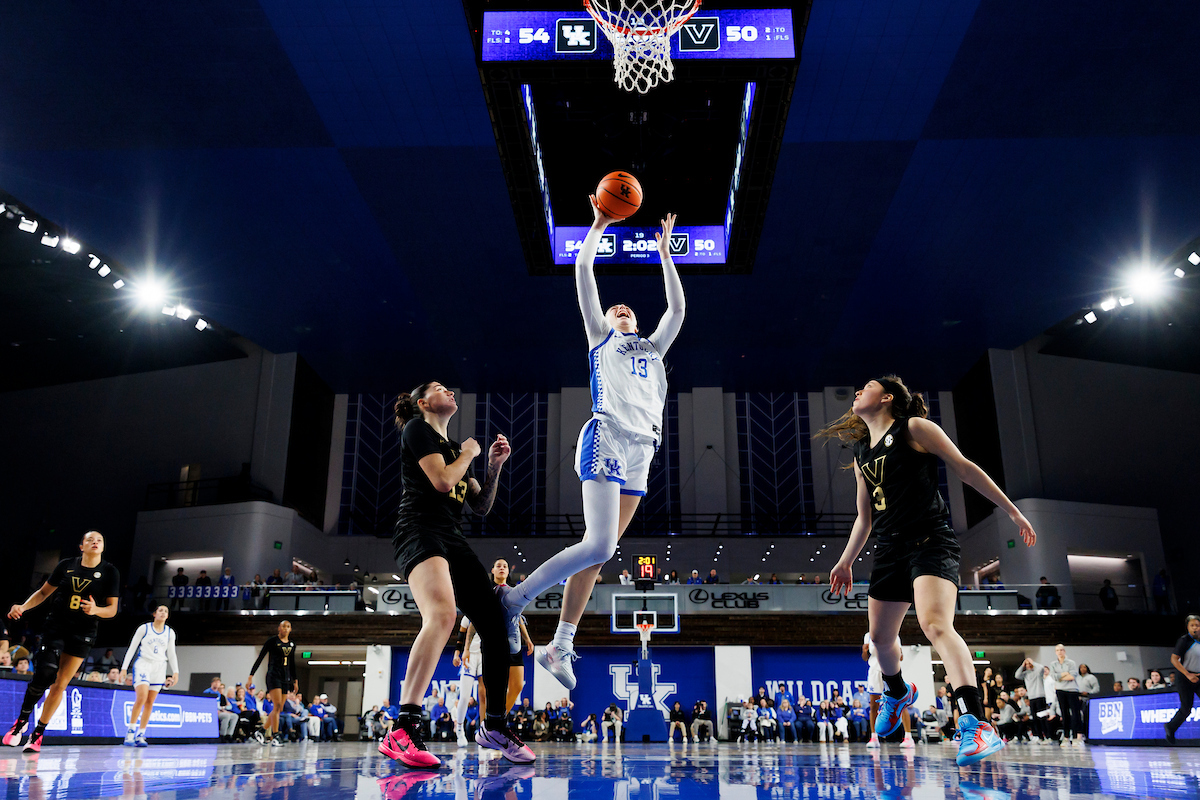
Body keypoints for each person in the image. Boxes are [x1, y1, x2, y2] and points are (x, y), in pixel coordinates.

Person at [497, 205, 684, 693]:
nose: (621, 308)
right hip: (608, 434)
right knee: (600, 544)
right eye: (614, 308)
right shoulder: (601, 339)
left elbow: (677, 311)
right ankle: (513, 600)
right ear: (604, 319)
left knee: (598, 555)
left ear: (637, 320)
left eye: (628, 309)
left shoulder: (654, 348)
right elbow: (583, 269)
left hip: (643, 452)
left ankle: (559, 644)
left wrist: (666, 256)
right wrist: (599, 226)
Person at [818, 377, 1036, 766]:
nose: (857, 392)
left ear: (886, 397)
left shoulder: (914, 428)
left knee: (935, 624)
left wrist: (1013, 511)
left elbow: (965, 469)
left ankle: (975, 723)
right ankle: (897, 690)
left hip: (929, 541)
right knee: (880, 639)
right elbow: (865, 517)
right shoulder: (862, 452)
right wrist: (846, 560)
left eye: (866, 387)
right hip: (889, 549)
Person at [382, 383, 532, 767]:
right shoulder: (417, 429)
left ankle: (494, 726)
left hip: (453, 537)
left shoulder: (454, 450)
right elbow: (442, 481)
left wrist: (493, 466)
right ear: (422, 403)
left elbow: (480, 505)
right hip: (419, 529)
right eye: (438, 388)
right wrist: (469, 452)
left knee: (495, 623)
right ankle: (403, 728)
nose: (447, 390)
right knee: (443, 615)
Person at [4, 531, 120, 753]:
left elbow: (112, 609)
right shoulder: (66, 565)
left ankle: (38, 734)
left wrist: (96, 610)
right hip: (56, 627)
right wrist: (23, 607)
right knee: (44, 673)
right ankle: (21, 722)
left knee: (60, 684)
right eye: (90, 539)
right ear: (81, 546)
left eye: (99, 540)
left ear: (103, 547)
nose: (95, 542)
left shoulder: (110, 572)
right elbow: (42, 593)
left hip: (83, 633)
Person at [466, 559, 534, 723]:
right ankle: (488, 727)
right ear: (493, 570)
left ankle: (495, 722)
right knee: (491, 691)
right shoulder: (486, 591)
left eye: (505, 566)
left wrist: (528, 639)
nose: (502, 568)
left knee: (517, 686)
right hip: (493, 645)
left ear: (508, 571)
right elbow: (474, 621)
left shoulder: (513, 591)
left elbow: (517, 617)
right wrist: (466, 648)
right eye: (498, 566)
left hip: (513, 644)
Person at [118, 605, 179, 747]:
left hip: (160, 666)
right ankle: (130, 732)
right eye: (160, 610)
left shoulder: (170, 632)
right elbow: (132, 648)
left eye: (166, 611)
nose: (163, 613)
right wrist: (124, 668)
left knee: (150, 701)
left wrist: (176, 671)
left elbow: (171, 654)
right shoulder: (144, 628)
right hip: (143, 664)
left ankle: (141, 734)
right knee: (142, 697)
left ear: (167, 616)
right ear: (154, 614)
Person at [247, 620, 298, 747]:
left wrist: (295, 680)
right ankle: (275, 735)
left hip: (285, 678)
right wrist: (251, 676)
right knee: (277, 705)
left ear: (290, 629)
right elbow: (260, 658)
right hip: (273, 676)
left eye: (288, 626)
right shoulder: (272, 641)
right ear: (279, 628)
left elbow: (292, 663)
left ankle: (261, 730)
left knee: (279, 709)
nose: (285, 628)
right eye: (283, 626)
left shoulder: (292, 644)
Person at [861, 631, 913, 748]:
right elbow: (865, 657)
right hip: (874, 671)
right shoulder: (868, 636)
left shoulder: (892, 632)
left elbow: (901, 657)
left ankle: (908, 737)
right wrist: (864, 651)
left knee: (901, 702)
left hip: (890, 670)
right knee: (873, 705)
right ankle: (874, 737)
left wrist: (891, 651)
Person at [1165, 614, 1200, 743]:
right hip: (1184, 677)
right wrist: (1187, 674)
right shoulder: (1184, 641)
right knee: (1186, 708)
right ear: (1188, 627)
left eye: (1197, 625)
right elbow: (1174, 659)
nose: (1195, 628)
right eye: (1192, 625)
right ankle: (1171, 727)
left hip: (1198, 676)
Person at [1049, 644, 1083, 745]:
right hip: (1060, 690)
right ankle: (1066, 737)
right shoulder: (1053, 664)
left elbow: (1072, 676)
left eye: (1061, 650)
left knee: (1075, 713)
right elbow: (1053, 676)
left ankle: (1078, 737)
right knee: (1064, 714)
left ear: (1064, 651)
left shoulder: (1071, 663)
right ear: (1055, 652)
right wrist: (1064, 673)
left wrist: (1059, 677)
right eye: (1057, 650)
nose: (1059, 652)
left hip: (1072, 690)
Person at [1015, 657, 1049, 741]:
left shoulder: (1037, 672)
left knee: (1042, 718)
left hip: (1040, 696)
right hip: (1032, 698)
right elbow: (1017, 675)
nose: (1028, 665)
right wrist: (1022, 665)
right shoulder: (1025, 674)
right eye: (1027, 664)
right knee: (1035, 718)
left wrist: (1032, 662)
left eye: (1029, 664)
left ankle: (1047, 736)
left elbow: (1041, 668)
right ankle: (1040, 736)